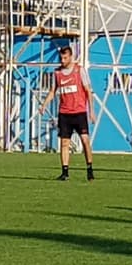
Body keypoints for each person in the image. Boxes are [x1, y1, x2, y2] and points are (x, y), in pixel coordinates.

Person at [39, 46, 96, 181]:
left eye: (65, 58)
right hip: (64, 113)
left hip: (79, 112)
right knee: (64, 143)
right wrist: (44, 105)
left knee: (85, 140)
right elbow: (53, 91)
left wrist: (91, 111)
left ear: (71, 57)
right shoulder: (57, 73)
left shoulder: (79, 70)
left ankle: (89, 169)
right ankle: (65, 172)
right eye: (61, 58)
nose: (62, 60)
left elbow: (88, 91)